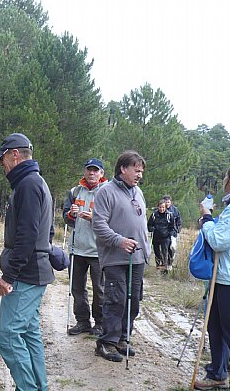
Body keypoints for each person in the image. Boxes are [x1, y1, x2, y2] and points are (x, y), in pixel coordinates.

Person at [0, 133, 54, 390]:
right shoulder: (34, 182)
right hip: (35, 272)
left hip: (26, 276)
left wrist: (8, 275)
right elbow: (47, 231)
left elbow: (27, 236)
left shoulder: (29, 184)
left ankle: (28, 388)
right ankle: (39, 386)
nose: (3, 165)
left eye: (4, 159)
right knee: (29, 334)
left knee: (8, 337)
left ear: (14, 154)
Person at [92, 150, 150, 362]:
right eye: (136, 170)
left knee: (133, 300)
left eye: (141, 171)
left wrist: (146, 251)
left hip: (137, 259)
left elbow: (141, 225)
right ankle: (107, 343)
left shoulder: (138, 192)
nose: (140, 175)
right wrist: (120, 241)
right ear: (123, 169)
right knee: (116, 300)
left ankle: (123, 338)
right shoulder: (105, 192)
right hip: (115, 258)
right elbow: (99, 226)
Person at [193, 167, 230, 390]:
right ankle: (217, 373)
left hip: (227, 280)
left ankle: (218, 371)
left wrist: (207, 218)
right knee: (215, 326)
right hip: (221, 277)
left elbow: (218, 241)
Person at [62, 158, 107, 336]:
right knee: (77, 288)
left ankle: (100, 323)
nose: (92, 173)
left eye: (95, 170)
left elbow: (113, 219)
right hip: (76, 249)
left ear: (102, 174)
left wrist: (94, 218)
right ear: (84, 172)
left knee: (100, 289)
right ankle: (82, 322)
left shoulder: (107, 192)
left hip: (99, 250)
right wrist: (70, 214)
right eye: (89, 170)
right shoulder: (75, 191)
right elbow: (66, 219)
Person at [147, 200, 176, 273]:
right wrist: (152, 229)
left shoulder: (169, 215)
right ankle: (158, 267)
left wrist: (171, 236)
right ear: (158, 207)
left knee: (164, 253)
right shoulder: (154, 215)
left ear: (165, 207)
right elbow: (149, 225)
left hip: (166, 237)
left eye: (163, 207)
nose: (161, 209)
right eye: (160, 207)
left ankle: (165, 270)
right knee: (157, 252)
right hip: (156, 237)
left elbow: (172, 227)